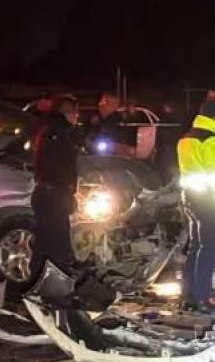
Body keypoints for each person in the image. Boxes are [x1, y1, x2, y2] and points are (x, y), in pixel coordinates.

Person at [177, 98, 215, 315]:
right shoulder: (212, 140)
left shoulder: (186, 138)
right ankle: (203, 297)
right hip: (209, 201)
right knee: (210, 248)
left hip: (190, 199)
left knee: (195, 247)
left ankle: (188, 296)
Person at [30, 94, 81, 287]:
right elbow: (61, 168)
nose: (77, 118)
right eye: (76, 114)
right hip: (53, 195)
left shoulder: (47, 129)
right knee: (58, 244)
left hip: (44, 194)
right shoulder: (60, 133)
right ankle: (58, 291)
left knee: (44, 244)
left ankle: (35, 287)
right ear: (69, 113)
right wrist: (67, 193)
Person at [88, 93, 137, 157]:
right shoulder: (95, 118)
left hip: (114, 152)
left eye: (104, 102)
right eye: (101, 102)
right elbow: (90, 134)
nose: (100, 104)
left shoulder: (119, 119)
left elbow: (126, 132)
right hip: (99, 151)